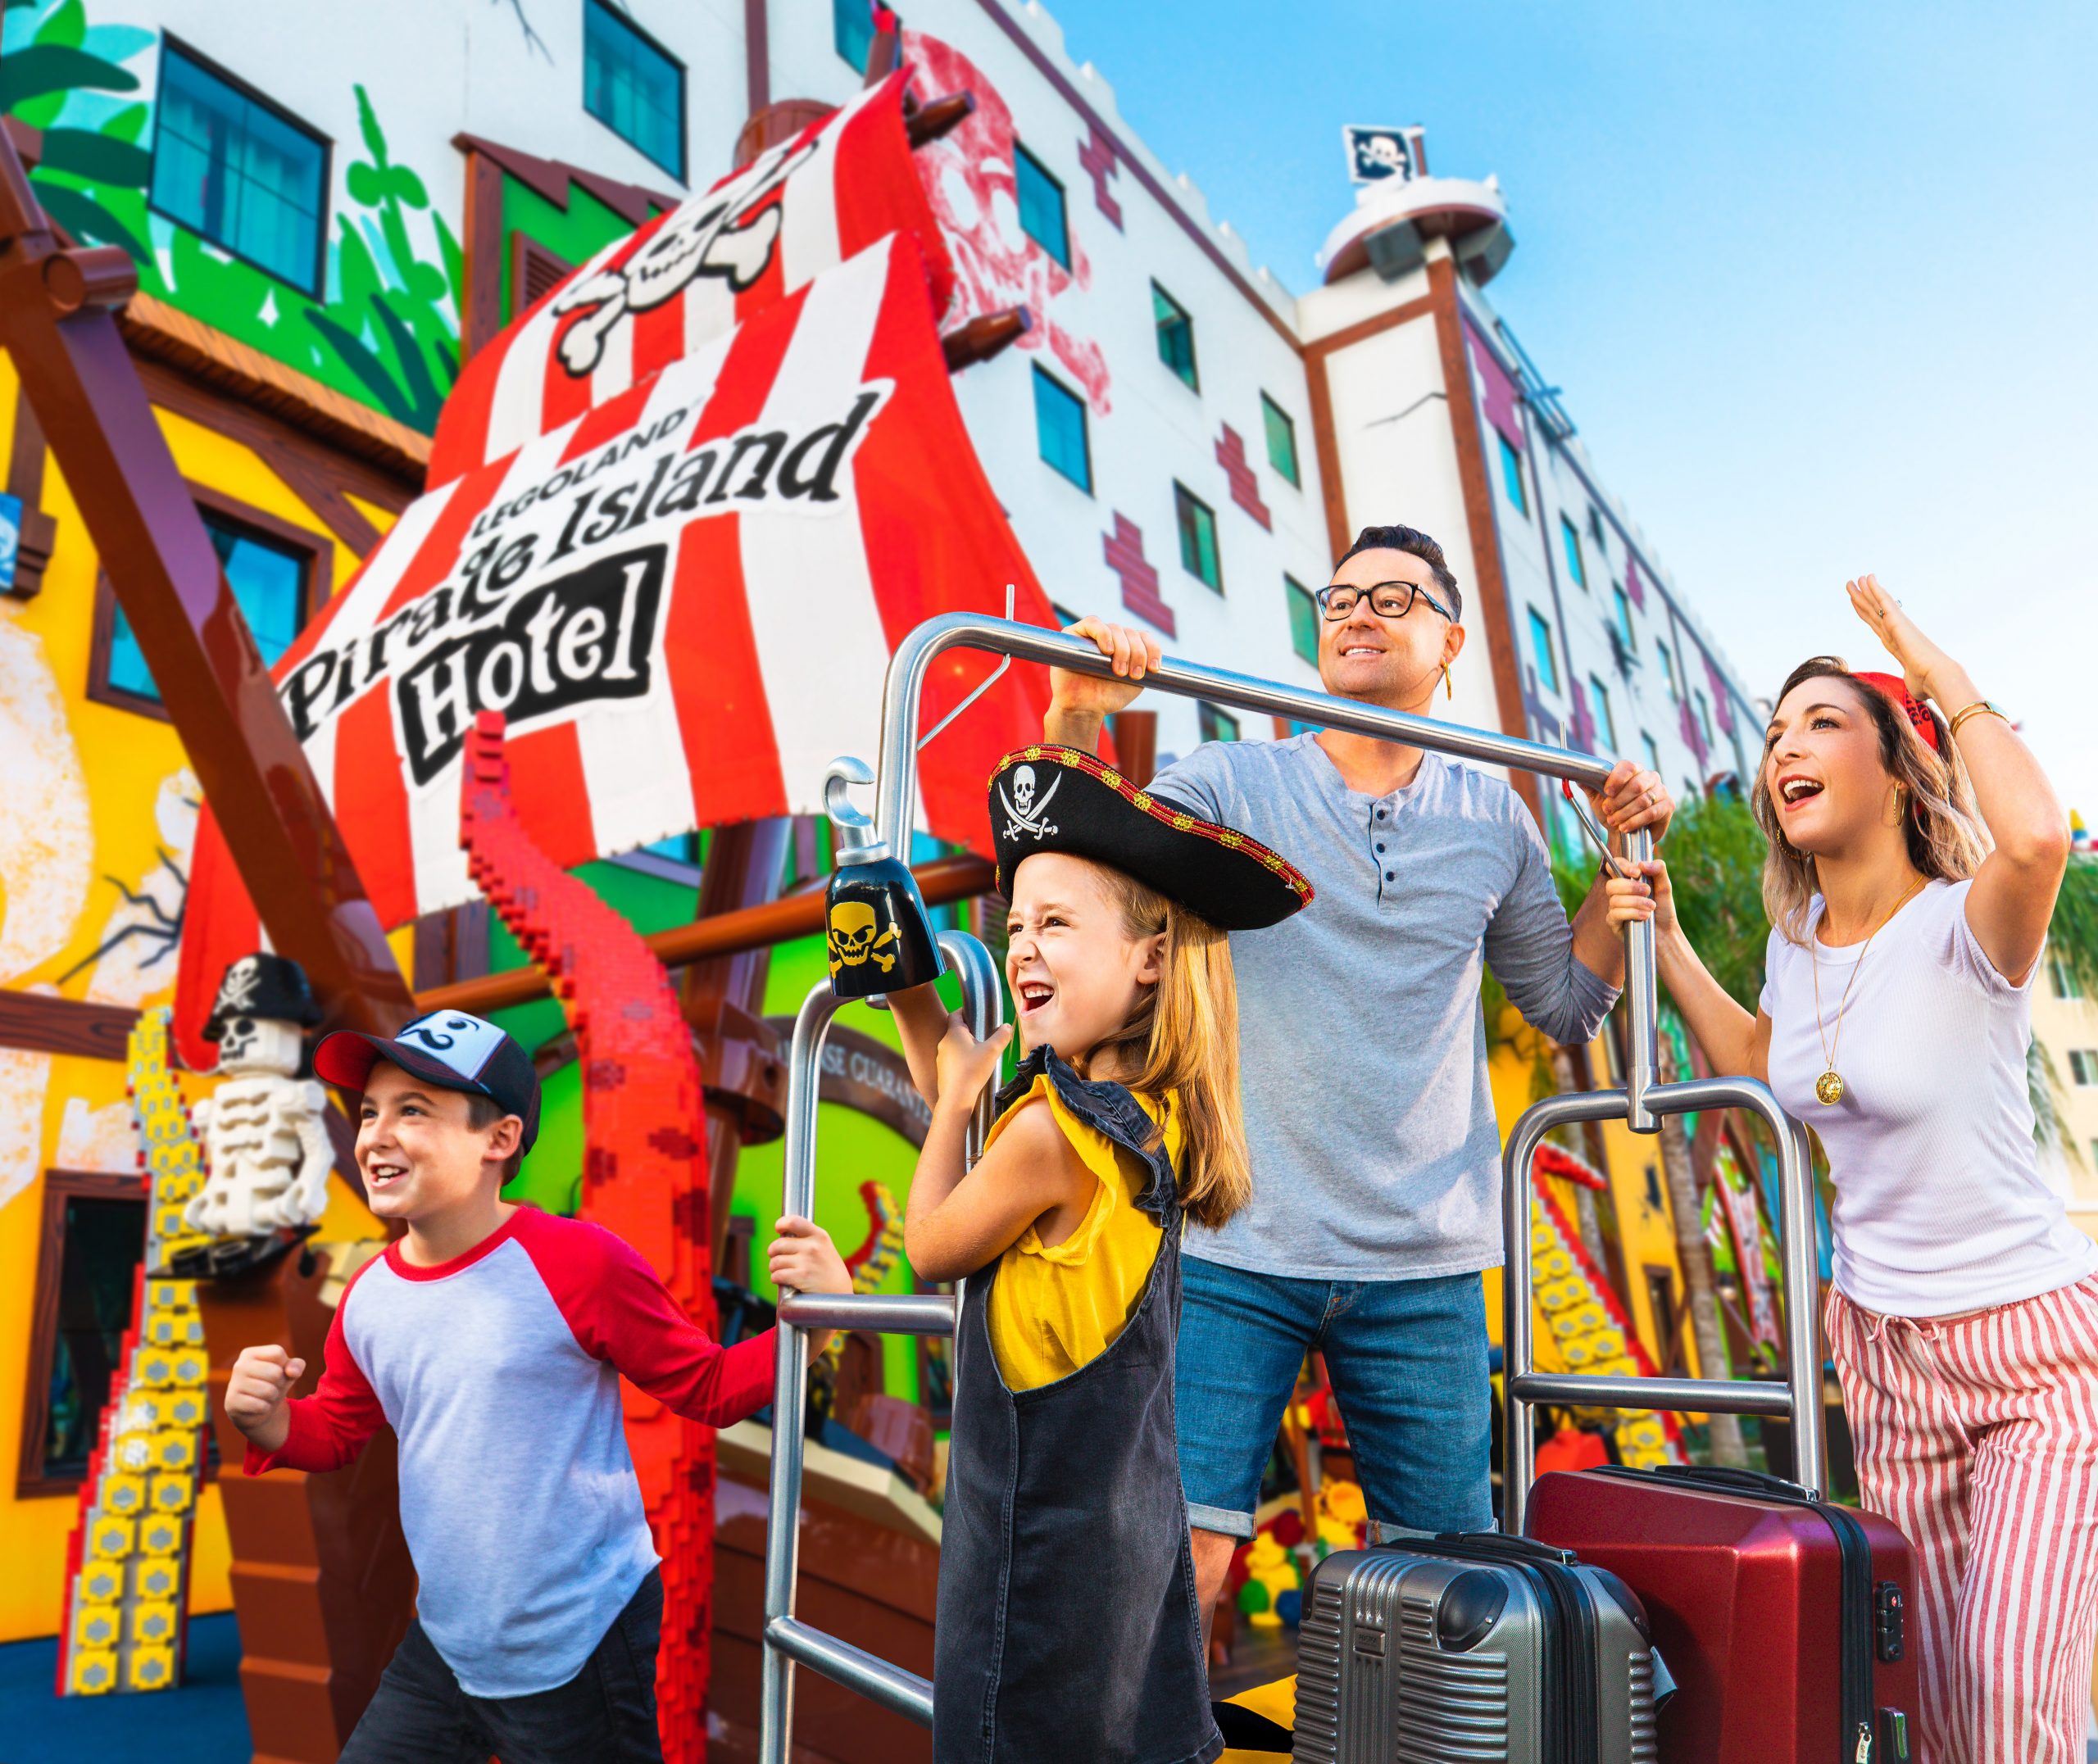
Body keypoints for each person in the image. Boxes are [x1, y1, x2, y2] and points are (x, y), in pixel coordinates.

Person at [1046, 524, 1673, 1622]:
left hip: (1423, 1262)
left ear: (1450, 641)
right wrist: (1076, 719)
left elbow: (1564, 1004)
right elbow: (1087, 894)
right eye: (1340, 598)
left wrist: (1617, 888)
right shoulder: (1233, 780)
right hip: (1242, 1234)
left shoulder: (1496, 815)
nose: (1356, 613)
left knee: (1450, 1597)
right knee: (1177, 1566)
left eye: (1393, 598)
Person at [1606, 577, 2097, 1764]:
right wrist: (1666, 935)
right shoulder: (1794, 948)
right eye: (1777, 731)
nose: (1787, 746)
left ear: (1896, 767)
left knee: (2006, 1683)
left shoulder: (1964, 924)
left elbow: (2035, 834)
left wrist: (1932, 672)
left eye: (1823, 722)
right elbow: (1762, 1060)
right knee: (1920, 1698)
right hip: (1883, 1353)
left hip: (2030, 1348)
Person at [223, 1009, 852, 1764]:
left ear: (500, 1139)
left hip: (578, 1641)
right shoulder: (369, 1294)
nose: (375, 1134)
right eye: (369, 1111)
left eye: (412, 1110)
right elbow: (336, 1430)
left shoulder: (578, 1262)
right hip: (449, 1643)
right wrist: (267, 1421)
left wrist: (815, 1320)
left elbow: (710, 1387)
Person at [883, 746, 1311, 1764]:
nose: (1023, 947)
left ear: (1150, 956)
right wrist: (907, 989)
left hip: (1032, 1567)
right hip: (1123, 1545)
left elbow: (933, 1241)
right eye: (1016, 924)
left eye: (1057, 924)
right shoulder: (1141, 1116)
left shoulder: (1048, 1133)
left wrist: (946, 1109)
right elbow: (966, 1065)